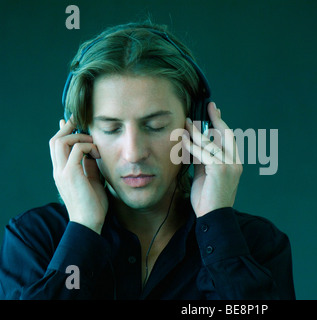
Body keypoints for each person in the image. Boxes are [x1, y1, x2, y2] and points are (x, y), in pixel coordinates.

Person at [0, 21, 295, 299]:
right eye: (111, 128)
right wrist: (83, 230)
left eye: (155, 126)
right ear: (81, 134)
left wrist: (217, 224)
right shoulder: (34, 239)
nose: (133, 153)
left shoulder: (257, 245)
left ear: (196, 126)